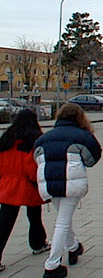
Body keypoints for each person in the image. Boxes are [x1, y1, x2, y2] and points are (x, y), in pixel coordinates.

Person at [34, 103, 102, 278]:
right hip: (70, 183)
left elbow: (36, 158)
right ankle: (52, 265)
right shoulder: (83, 136)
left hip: (49, 183)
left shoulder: (44, 138)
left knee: (63, 218)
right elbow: (92, 159)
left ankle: (73, 248)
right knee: (62, 222)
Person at [0, 109, 50, 273]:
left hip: (7, 184)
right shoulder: (35, 140)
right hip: (28, 185)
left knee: (5, 222)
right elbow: (32, 166)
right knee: (34, 215)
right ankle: (38, 243)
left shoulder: (6, 139)